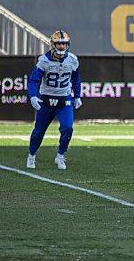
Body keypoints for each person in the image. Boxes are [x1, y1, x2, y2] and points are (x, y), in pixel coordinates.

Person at [26, 30, 82, 170]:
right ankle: (31, 155)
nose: (62, 47)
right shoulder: (44, 61)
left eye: (64, 44)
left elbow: (76, 79)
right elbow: (33, 80)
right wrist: (33, 96)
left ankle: (60, 156)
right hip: (46, 100)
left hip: (64, 100)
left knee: (68, 128)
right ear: (52, 44)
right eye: (59, 44)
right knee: (39, 131)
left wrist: (78, 95)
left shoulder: (72, 60)